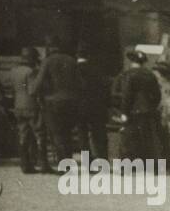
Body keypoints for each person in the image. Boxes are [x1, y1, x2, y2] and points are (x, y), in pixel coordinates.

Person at [32, 37, 81, 167]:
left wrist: (33, 91)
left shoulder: (47, 61)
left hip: (53, 102)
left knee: (57, 133)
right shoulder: (72, 61)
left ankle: (64, 163)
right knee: (67, 132)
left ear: (49, 48)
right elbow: (80, 83)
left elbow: (38, 84)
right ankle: (68, 161)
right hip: (71, 101)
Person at [115, 48, 163, 161]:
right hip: (148, 111)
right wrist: (152, 106)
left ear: (131, 61)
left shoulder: (127, 74)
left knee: (129, 139)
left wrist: (123, 112)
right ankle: (151, 166)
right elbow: (157, 95)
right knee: (148, 139)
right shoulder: (150, 74)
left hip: (132, 111)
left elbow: (127, 94)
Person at [9, 47, 43, 174]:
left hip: (18, 106)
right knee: (38, 134)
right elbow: (32, 90)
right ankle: (40, 162)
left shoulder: (14, 71)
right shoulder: (31, 72)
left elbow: (12, 90)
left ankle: (24, 165)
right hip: (31, 106)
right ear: (32, 58)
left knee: (22, 135)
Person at [76, 46, 112, 165]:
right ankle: (103, 161)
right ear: (88, 57)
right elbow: (105, 88)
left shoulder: (74, 69)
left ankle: (87, 163)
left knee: (82, 135)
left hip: (80, 107)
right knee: (99, 134)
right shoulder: (97, 69)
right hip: (97, 107)